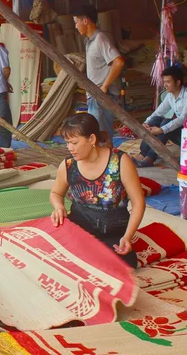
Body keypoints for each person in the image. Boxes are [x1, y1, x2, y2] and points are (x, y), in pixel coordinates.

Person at [49, 113, 145, 268]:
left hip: (112, 230)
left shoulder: (120, 161)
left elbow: (138, 202)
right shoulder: (68, 165)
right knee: (56, 256)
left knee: (120, 265)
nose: (70, 148)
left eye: (74, 142)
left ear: (92, 139)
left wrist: (128, 236)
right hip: (79, 229)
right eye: (67, 143)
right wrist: (59, 206)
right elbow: (56, 193)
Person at [73, 5, 125, 142]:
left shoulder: (100, 39)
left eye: (76, 22)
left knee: (100, 137)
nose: (76, 26)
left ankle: (107, 162)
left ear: (86, 21)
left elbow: (118, 62)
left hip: (101, 97)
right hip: (95, 97)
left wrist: (105, 86)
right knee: (98, 136)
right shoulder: (89, 42)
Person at [133, 67, 187, 167]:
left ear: (178, 82)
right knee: (155, 120)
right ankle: (143, 153)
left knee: (166, 122)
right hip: (181, 129)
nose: (165, 85)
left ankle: (150, 157)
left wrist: (161, 130)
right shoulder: (170, 96)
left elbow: (182, 119)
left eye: (168, 82)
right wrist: (146, 123)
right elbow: (158, 112)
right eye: (164, 82)